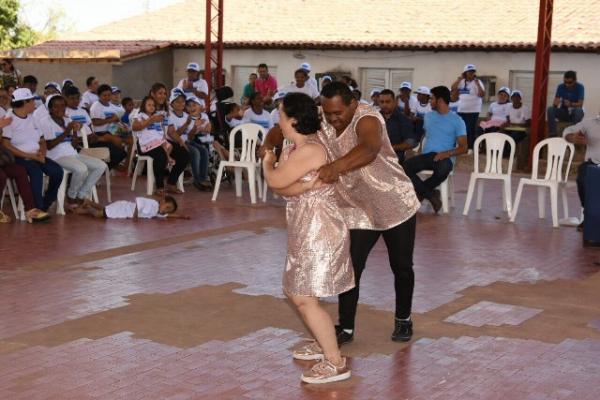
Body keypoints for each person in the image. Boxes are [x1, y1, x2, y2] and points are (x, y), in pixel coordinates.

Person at [262, 82, 420, 346]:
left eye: (339, 113)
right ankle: (345, 326)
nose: (333, 119)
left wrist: (337, 167)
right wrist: (270, 147)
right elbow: (283, 130)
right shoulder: (322, 118)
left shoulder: (367, 117)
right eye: (328, 113)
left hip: (394, 203)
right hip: (356, 208)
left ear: (353, 104)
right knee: (351, 268)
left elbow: (369, 149)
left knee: (401, 266)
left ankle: (403, 319)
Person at [263, 92, 353, 384]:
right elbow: (285, 189)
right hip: (306, 226)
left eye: (280, 114)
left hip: (320, 229)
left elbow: (276, 181)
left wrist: (267, 161)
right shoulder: (298, 146)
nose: (278, 120)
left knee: (302, 296)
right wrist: (302, 187)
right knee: (299, 292)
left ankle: (335, 362)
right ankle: (323, 343)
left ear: (293, 120)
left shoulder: (311, 150)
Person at [404, 86, 468, 213]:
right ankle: (431, 194)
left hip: (446, 158)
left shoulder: (457, 121)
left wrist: (446, 153)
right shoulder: (428, 117)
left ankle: (423, 194)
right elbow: (426, 136)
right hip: (428, 156)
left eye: (432, 98)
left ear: (440, 100)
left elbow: (464, 148)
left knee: (443, 169)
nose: (429, 101)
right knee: (404, 167)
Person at [1, 88, 63, 212]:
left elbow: (42, 140)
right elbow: (6, 145)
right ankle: (37, 209)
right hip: (18, 157)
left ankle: (46, 203)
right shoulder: (10, 118)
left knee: (57, 171)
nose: (35, 103)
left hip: (36, 155)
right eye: (32, 101)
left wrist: (41, 154)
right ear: (25, 102)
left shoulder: (32, 117)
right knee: (36, 172)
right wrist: (29, 156)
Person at [39, 95, 107, 208]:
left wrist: (75, 131)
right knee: (81, 169)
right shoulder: (45, 122)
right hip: (56, 156)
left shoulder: (67, 119)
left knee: (100, 165)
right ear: (50, 109)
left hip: (72, 153)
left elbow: (73, 144)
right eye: (56, 106)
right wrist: (67, 130)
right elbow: (49, 145)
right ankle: (71, 196)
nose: (60, 109)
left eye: (62, 106)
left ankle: (81, 195)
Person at [133, 96, 189, 195]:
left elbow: (166, 130)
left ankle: (171, 183)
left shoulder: (158, 115)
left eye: (153, 105)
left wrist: (180, 141)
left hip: (159, 142)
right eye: (149, 105)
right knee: (161, 155)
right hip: (146, 144)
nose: (152, 107)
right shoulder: (140, 115)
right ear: (143, 106)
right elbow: (135, 127)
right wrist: (150, 120)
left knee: (184, 153)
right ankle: (159, 187)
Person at [64, 85, 127, 171]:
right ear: (66, 98)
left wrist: (95, 136)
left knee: (120, 153)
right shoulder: (65, 112)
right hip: (78, 143)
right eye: (72, 98)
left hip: (91, 140)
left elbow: (90, 127)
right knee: (112, 145)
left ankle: (100, 171)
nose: (76, 101)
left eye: (77, 98)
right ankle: (97, 171)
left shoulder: (82, 111)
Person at [563, 114, 600, 230]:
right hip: (593, 164)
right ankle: (589, 216)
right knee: (583, 174)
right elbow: (568, 131)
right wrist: (572, 137)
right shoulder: (589, 122)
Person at [451, 64, 485, 150]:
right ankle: (461, 146)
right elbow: (453, 87)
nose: (471, 74)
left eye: (473, 72)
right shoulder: (461, 82)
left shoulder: (478, 82)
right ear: (465, 73)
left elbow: (482, 94)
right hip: (461, 109)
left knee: (470, 129)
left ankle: (470, 148)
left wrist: (477, 84)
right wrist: (459, 79)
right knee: (460, 129)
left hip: (473, 110)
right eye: (469, 72)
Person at [378, 89, 417, 164]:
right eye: (382, 102)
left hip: (394, 156)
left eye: (387, 101)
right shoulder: (374, 118)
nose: (384, 105)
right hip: (374, 154)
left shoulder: (403, 119)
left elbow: (411, 142)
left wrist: (393, 148)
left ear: (395, 102)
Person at [74, 195, 189, 220]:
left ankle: (89, 202)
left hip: (122, 209)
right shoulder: (153, 204)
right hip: (123, 208)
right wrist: (135, 216)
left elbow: (169, 215)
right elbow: (139, 201)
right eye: (167, 207)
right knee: (99, 214)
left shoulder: (156, 212)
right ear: (162, 201)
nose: (165, 211)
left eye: (168, 210)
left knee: (105, 209)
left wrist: (181, 216)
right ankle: (86, 209)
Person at [90, 84, 128, 154]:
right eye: (104, 95)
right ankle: (121, 157)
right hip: (101, 133)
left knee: (130, 137)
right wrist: (111, 119)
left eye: (109, 95)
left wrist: (122, 125)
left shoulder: (110, 105)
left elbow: (116, 119)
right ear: (99, 96)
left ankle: (128, 161)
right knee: (118, 140)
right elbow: (95, 122)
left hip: (112, 129)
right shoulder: (96, 106)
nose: (107, 97)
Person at [547, 70, 585, 136]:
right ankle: (552, 133)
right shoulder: (560, 87)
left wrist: (570, 104)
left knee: (578, 110)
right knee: (550, 109)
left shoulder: (580, 87)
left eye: (569, 82)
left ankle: (575, 133)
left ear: (575, 81)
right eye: (565, 82)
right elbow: (556, 101)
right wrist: (555, 104)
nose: (567, 84)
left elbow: (580, 104)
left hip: (575, 113)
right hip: (564, 112)